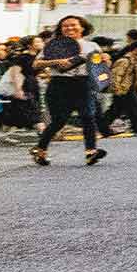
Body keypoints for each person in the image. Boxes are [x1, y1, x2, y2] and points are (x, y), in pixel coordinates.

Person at [28, 14, 105, 167]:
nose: (69, 28)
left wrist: (103, 62)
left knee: (88, 116)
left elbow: (98, 66)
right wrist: (57, 61)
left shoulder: (92, 46)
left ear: (82, 27)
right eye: (65, 25)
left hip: (83, 83)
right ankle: (40, 149)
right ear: (61, 29)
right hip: (59, 84)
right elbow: (36, 64)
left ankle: (91, 151)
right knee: (59, 120)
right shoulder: (54, 45)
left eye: (73, 25)